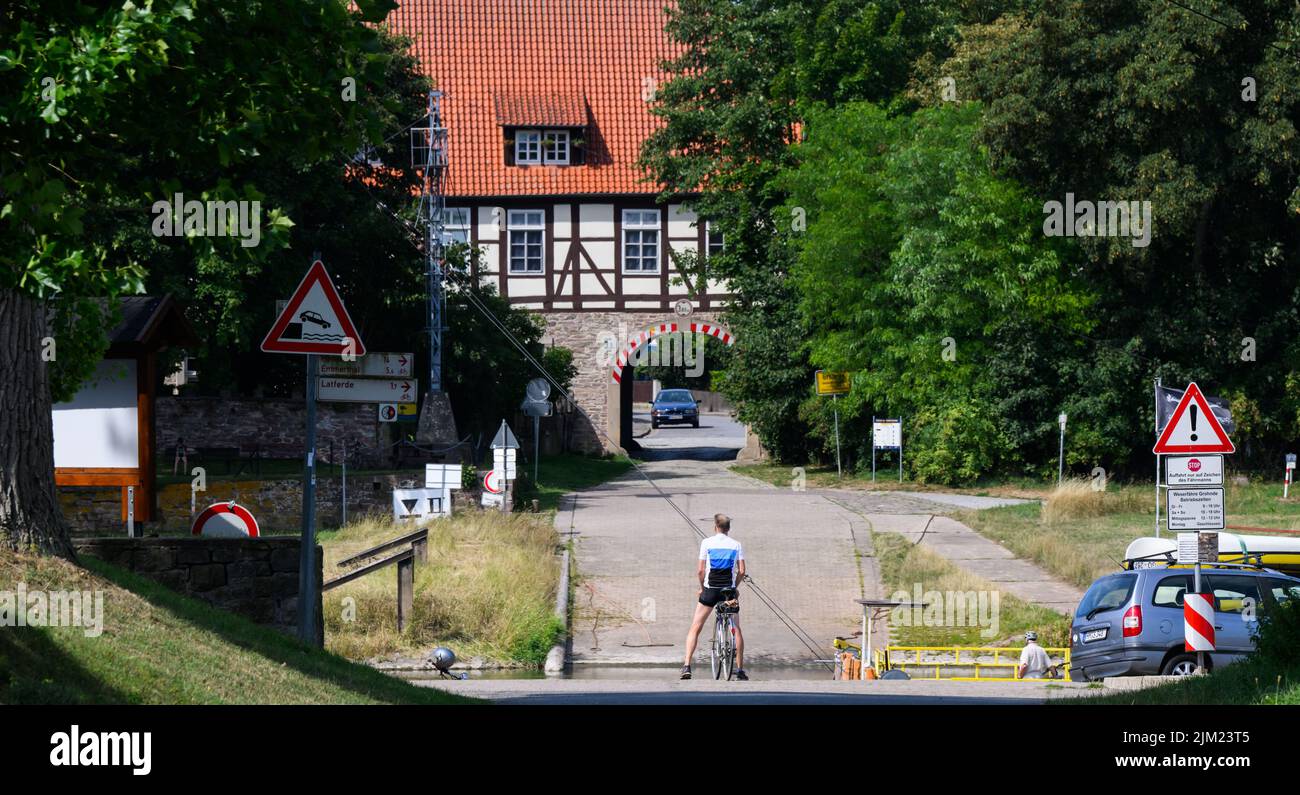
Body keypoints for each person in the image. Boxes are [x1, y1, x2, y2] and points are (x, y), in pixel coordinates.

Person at [681, 513, 747, 680]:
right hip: (728, 593)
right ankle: (739, 670)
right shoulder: (736, 545)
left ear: (715, 526)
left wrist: (702, 588)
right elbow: (742, 571)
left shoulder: (706, 543)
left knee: (695, 627)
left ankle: (687, 666)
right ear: (728, 528)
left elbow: (701, 571)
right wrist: (734, 587)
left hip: (710, 591)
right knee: (736, 628)